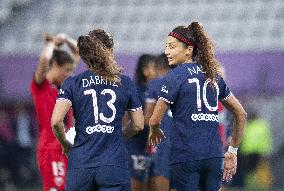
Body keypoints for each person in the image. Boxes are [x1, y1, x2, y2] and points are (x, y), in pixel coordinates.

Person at [148, 22, 247, 191]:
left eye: (172, 47)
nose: (166, 52)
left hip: (186, 156)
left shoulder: (175, 76)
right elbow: (241, 114)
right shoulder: (214, 75)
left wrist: (155, 129)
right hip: (214, 156)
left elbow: (154, 119)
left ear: (188, 50)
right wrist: (233, 151)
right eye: (166, 47)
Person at [51, 29, 144, 191]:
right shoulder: (125, 82)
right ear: (111, 51)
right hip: (113, 164)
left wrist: (65, 145)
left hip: (81, 164)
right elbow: (138, 125)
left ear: (87, 53)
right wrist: (117, 134)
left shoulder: (72, 83)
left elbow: (56, 122)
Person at [30, 32, 79, 191]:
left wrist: (65, 39)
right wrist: (52, 43)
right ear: (56, 66)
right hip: (50, 149)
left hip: (67, 147)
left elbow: (77, 52)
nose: (70, 74)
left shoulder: (65, 87)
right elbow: (44, 59)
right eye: (67, 70)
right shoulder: (41, 86)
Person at [126, 54, 157, 191]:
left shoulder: (159, 89)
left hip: (154, 144)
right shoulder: (134, 90)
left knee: (153, 183)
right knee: (137, 184)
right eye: (153, 67)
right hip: (136, 144)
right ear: (145, 70)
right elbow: (128, 119)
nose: (157, 71)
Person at [144, 53, 173, 191]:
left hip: (164, 140)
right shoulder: (185, 81)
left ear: (158, 67)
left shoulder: (155, 84)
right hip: (186, 140)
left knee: (162, 176)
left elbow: (147, 118)